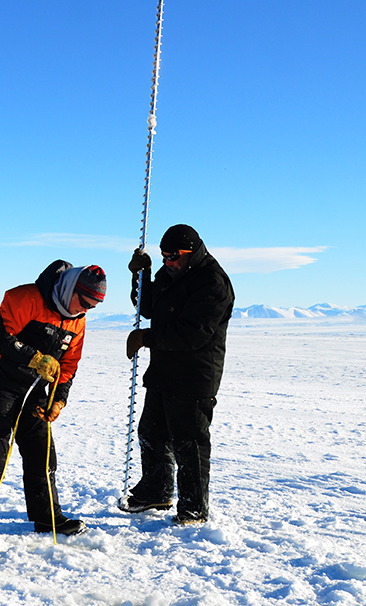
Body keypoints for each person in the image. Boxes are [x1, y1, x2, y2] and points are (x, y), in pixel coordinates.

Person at [0, 260, 106, 550]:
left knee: (42, 452)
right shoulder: (26, 298)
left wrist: (59, 399)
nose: (85, 310)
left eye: (92, 306)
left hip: (35, 390)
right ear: (71, 289)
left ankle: (47, 517)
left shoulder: (78, 320)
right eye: (84, 302)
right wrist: (35, 358)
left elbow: (69, 364)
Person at [121, 224, 234, 525]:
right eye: (163, 257)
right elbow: (148, 308)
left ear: (192, 253)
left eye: (174, 256)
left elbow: (191, 334)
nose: (168, 262)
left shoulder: (211, 282)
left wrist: (147, 339)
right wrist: (141, 276)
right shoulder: (169, 275)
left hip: (194, 376)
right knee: (151, 431)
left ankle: (194, 508)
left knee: (190, 443)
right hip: (163, 372)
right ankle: (156, 492)